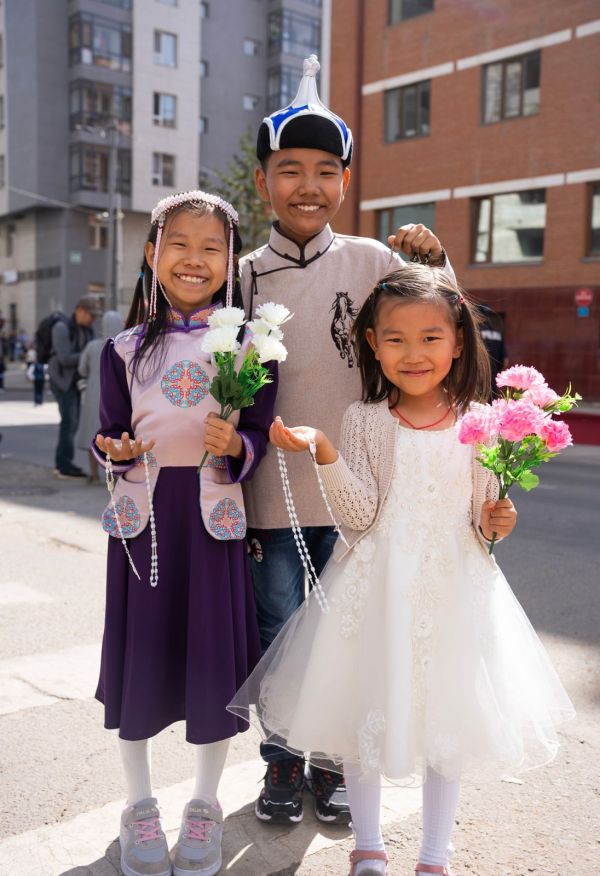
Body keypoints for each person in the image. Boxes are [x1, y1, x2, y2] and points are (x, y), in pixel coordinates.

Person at [231, 264, 575, 875]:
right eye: (396, 339)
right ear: (372, 344)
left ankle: (434, 855)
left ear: (459, 342)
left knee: (447, 722)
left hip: (453, 589)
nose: (413, 353)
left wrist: (499, 519)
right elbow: (359, 516)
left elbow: (481, 519)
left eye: (430, 338)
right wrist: (326, 452)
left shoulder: (481, 423)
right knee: (363, 716)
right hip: (375, 588)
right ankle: (368, 848)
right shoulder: (365, 420)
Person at [239, 54, 455, 825]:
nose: (307, 185)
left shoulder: (373, 261)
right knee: (278, 630)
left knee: (346, 637)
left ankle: (331, 767)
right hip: (269, 493)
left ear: (344, 182)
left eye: (325, 170)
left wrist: (435, 260)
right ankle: (280, 762)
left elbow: (444, 326)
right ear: (262, 182)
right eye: (288, 169)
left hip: (362, 489)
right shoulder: (240, 278)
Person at [92, 190, 277, 876]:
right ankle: (138, 804)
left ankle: (204, 805)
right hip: (144, 532)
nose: (194, 259)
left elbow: (256, 433)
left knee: (211, 666)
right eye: (179, 244)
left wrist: (237, 443)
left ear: (231, 263)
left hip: (213, 525)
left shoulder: (253, 348)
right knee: (140, 661)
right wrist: (112, 448)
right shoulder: (123, 349)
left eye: (212, 248)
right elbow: (108, 432)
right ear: (151, 254)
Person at [48, 296, 97, 477]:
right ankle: (63, 465)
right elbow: (65, 358)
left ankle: (65, 462)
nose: (94, 320)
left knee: (72, 422)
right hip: (61, 380)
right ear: (80, 311)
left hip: (76, 380)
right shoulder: (61, 328)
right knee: (69, 422)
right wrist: (89, 353)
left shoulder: (88, 329)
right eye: (91, 315)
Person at [75, 310, 124, 482]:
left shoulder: (92, 346)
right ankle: (116, 474)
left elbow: (81, 369)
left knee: (92, 433)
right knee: (116, 435)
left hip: (94, 394)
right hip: (119, 394)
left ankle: (93, 473)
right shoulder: (126, 345)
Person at [476, 303, 507, 398]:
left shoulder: (474, 331)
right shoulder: (497, 332)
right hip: (493, 379)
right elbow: (505, 361)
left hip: (476, 379)